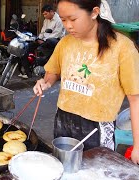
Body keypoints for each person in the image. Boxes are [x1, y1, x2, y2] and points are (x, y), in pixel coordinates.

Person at [33, 0, 139, 164]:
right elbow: (52, 72)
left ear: (94, 12)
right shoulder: (65, 43)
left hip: (97, 127)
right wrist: (45, 82)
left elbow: (135, 100)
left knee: (94, 171)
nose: (68, 26)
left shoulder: (122, 48)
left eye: (73, 19)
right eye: (63, 19)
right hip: (63, 120)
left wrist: (137, 147)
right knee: (63, 168)